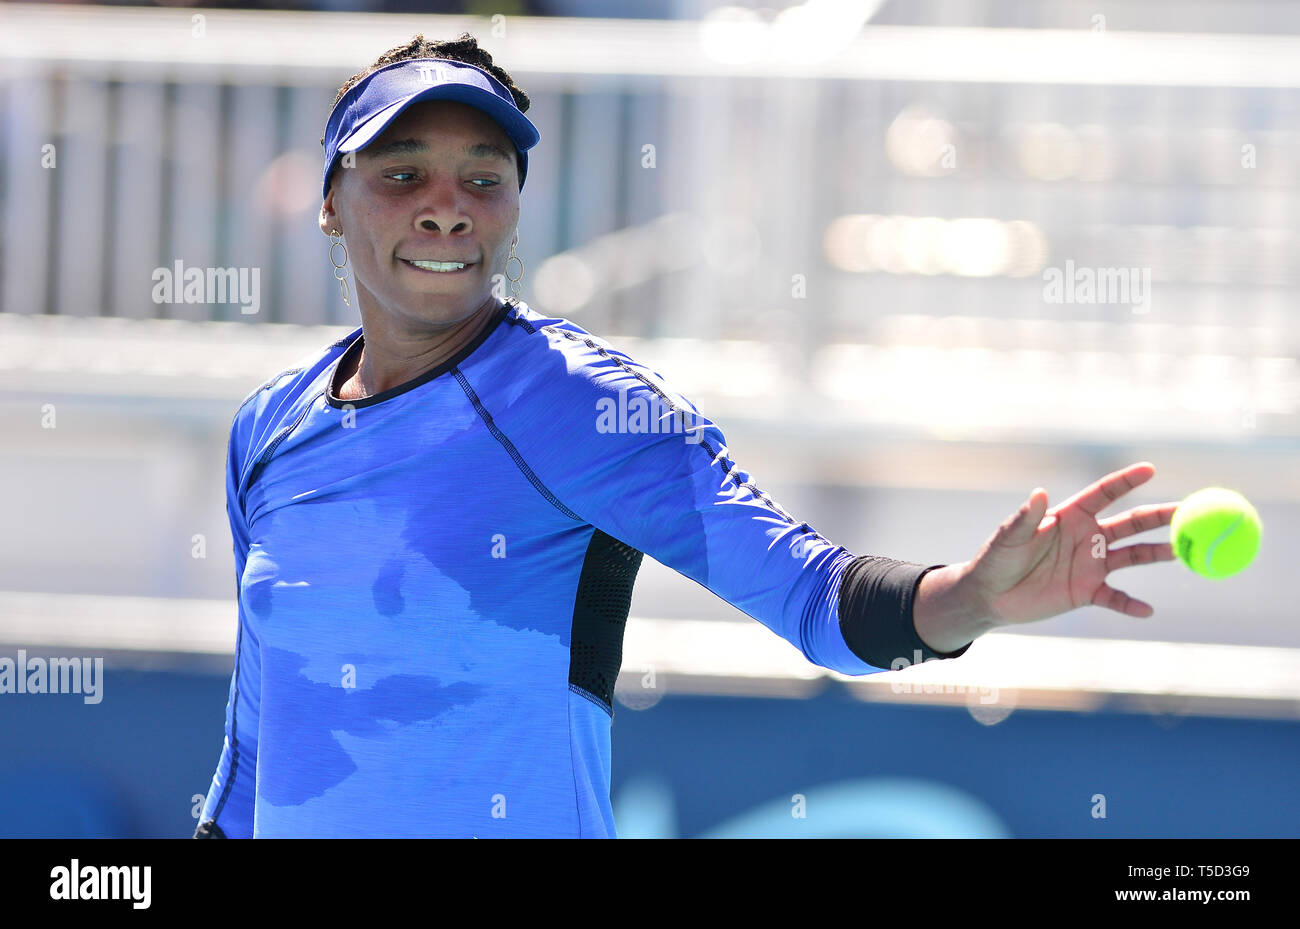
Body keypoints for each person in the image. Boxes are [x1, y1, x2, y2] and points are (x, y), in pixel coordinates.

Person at [194, 33, 1178, 838]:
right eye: (403, 173)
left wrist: (965, 600)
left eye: (483, 178)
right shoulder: (270, 426)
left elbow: (810, 595)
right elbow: (256, 740)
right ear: (331, 202)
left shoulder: (580, 402)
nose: (446, 206)